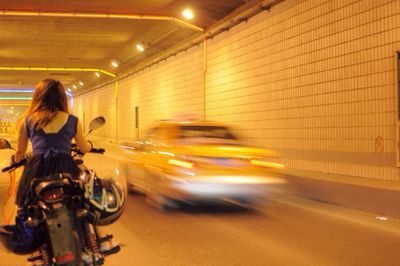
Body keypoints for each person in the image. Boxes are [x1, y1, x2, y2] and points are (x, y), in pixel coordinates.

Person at [4, 79, 119, 260]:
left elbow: (19, 152)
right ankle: (101, 241)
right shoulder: (72, 120)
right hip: (66, 169)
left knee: (27, 206)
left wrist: (17, 159)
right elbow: (83, 147)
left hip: (37, 171)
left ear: (37, 97)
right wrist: (88, 144)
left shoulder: (27, 121)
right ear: (62, 98)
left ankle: (32, 249)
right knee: (86, 201)